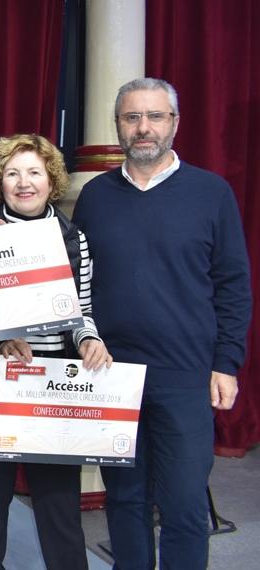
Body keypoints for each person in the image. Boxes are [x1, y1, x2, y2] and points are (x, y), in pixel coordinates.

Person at [72, 78, 252, 570]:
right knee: (125, 501)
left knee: (184, 505)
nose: (144, 127)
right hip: (113, 376)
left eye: (155, 116)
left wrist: (227, 363)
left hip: (186, 375)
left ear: (174, 123)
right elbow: (77, 282)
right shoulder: (95, 197)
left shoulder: (211, 193)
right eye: (132, 117)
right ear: (118, 126)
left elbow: (234, 285)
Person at [0, 133, 112, 570]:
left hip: (52, 390)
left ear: (51, 180)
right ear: (0, 182)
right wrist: (0, 336)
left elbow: (82, 309)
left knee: (58, 505)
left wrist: (90, 339)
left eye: (34, 172)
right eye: (12, 173)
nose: (23, 182)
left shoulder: (75, 240)